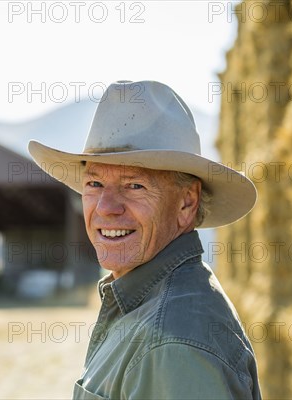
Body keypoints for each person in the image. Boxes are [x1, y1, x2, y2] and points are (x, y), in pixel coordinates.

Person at [28, 80, 261, 399]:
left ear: (186, 203)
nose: (106, 208)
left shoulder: (174, 345)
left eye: (134, 186)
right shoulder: (153, 307)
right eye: (94, 183)